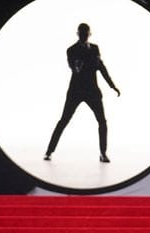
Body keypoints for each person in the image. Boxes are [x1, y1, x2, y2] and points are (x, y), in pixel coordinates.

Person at [44, 23, 120, 163]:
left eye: (86, 33)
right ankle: (49, 151)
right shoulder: (71, 50)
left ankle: (103, 153)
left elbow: (101, 67)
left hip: (92, 92)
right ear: (78, 34)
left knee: (102, 121)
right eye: (82, 33)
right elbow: (73, 67)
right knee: (64, 120)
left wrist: (112, 86)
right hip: (76, 91)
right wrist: (77, 67)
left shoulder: (95, 49)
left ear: (89, 34)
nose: (84, 35)